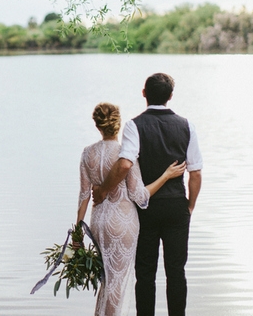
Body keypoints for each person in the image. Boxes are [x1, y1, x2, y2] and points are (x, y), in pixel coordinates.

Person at [92, 74, 203, 316]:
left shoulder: (134, 125)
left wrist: (101, 190)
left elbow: (124, 165)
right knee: (176, 272)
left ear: (144, 93)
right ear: (170, 96)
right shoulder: (187, 125)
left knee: (145, 274)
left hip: (146, 209)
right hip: (176, 207)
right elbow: (195, 173)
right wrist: (190, 206)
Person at [77, 102, 186, 316]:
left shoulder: (87, 153)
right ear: (117, 124)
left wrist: (77, 232)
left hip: (98, 221)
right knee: (118, 283)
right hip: (123, 222)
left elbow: (83, 196)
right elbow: (139, 195)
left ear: (97, 125)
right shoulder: (125, 154)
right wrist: (166, 175)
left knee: (107, 281)